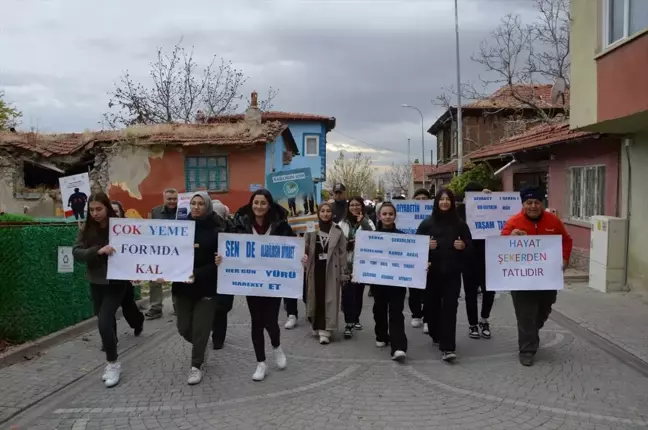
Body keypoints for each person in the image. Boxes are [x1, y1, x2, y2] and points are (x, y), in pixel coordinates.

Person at [216, 189, 299, 381]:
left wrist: (300, 260)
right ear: (251, 204)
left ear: (269, 205)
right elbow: (230, 248)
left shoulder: (281, 226)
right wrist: (221, 258)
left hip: (274, 281)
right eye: (256, 203)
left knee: (270, 320)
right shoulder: (240, 224)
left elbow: (292, 250)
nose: (259, 207)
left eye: (263, 203)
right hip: (251, 281)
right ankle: (261, 362)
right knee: (256, 321)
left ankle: (277, 346)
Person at [501, 186, 572, 367]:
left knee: (544, 308)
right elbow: (500, 245)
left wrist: (564, 258)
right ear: (523, 204)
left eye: (537, 202)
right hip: (521, 278)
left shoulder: (553, 221)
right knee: (525, 314)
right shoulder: (513, 222)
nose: (533, 206)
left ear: (542, 203)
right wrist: (509, 236)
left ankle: (531, 332)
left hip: (547, 277)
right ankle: (526, 350)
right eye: (529, 203)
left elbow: (566, 240)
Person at [171, 192, 229, 385]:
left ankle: (196, 365)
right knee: (183, 328)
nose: (195, 207)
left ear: (208, 207)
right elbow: (167, 254)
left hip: (206, 288)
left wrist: (199, 273)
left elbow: (218, 264)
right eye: (193, 203)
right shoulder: (178, 229)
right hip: (182, 288)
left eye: (200, 204)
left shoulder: (216, 231)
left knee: (201, 329)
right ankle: (201, 347)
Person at [73, 192, 126, 387]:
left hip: (117, 281)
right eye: (92, 209)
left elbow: (136, 249)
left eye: (99, 209)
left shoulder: (121, 225)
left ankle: (113, 363)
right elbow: (76, 252)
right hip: (96, 281)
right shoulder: (86, 228)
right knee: (103, 319)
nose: (95, 213)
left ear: (107, 208)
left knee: (104, 320)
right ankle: (112, 355)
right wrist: (97, 251)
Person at [416, 188, 472, 362]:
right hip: (432, 273)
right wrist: (426, 247)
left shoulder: (460, 224)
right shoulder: (427, 224)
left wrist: (463, 246)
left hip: (452, 273)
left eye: (448, 199)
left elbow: (471, 247)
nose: (445, 202)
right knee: (432, 307)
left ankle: (448, 347)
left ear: (452, 202)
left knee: (450, 308)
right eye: (441, 199)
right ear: (436, 202)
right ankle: (435, 332)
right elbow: (415, 248)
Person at [303, 202, 347, 344]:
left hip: (331, 270)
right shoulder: (311, 228)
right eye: (322, 211)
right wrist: (302, 255)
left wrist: (344, 273)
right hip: (315, 269)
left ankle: (326, 330)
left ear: (332, 213)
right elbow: (305, 246)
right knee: (315, 297)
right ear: (318, 213)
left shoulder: (338, 230)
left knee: (329, 299)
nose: (325, 213)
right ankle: (316, 325)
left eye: (328, 211)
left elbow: (342, 253)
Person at [456, 183, 496, 340]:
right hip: (468, 258)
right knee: (470, 294)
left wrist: (490, 199)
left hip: (489, 257)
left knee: (489, 291)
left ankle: (484, 320)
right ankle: (472, 324)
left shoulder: (490, 208)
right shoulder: (460, 212)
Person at [372, 202, 408, 361]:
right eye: (384, 214)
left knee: (396, 313)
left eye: (390, 214)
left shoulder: (403, 237)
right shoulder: (371, 237)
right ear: (379, 216)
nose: (387, 217)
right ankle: (381, 335)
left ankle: (398, 346)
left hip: (397, 282)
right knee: (379, 309)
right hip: (378, 281)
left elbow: (411, 257)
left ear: (395, 216)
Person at [339, 196, 376, 338]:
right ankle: (348, 322)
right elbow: (336, 239)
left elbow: (374, 238)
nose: (355, 207)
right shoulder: (342, 223)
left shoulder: (368, 222)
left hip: (361, 265)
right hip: (346, 265)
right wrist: (346, 244)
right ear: (348, 208)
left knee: (358, 294)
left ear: (362, 207)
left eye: (357, 205)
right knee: (347, 294)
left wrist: (363, 223)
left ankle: (356, 318)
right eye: (352, 205)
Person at [109, 201, 144, 341]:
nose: (114, 213)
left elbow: (135, 252)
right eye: (111, 211)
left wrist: (135, 272)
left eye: (116, 211)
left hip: (124, 273)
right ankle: (109, 338)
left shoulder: (130, 230)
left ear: (122, 213)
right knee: (108, 309)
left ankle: (138, 322)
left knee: (127, 305)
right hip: (107, 274)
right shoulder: (101, 229)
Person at [146, 188, 179, 319]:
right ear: (164, 199)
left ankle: (178, 306)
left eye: (174, 199)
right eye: (169, 199)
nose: (172, 201)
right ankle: (156, 307)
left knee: (178, 279)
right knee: (154, 279)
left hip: (178, 251)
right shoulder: (155, 211)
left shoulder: (184, 211)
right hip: (159, 251)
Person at [211, 200, 234, 350]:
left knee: (222, 307)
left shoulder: (231, 229)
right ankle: (216, 335)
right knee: (214, 306)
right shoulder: (206, 228)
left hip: (226, 274)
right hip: (210, 273)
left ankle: (218, 337)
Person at [408, 188, 431, 331]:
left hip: (431, 255)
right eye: (418, 198)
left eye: (425, 198)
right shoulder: (403, 215)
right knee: (414, 287)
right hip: (412, 254)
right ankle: (416, 314)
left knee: (430, 289)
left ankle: (428, 318)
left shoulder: (436, 215)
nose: (421, 201)